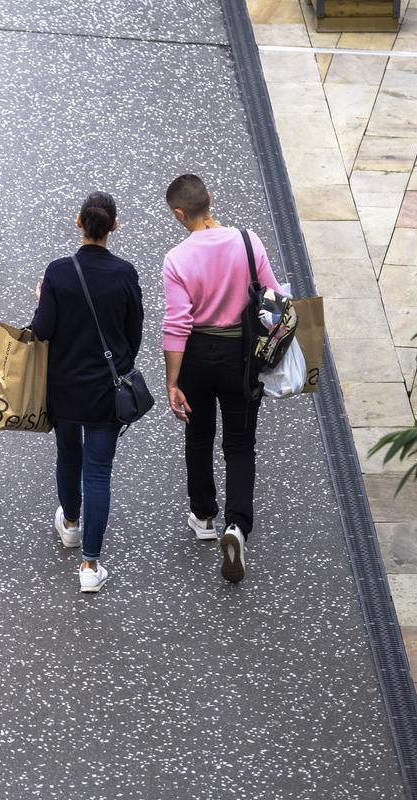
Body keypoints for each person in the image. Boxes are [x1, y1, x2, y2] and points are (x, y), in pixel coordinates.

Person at [161, 173, 284, 583]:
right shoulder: (249, 242)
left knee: (198, 435)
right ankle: (237, 526)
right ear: (210, 198)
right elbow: (270, 299)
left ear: (179, 214)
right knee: (240, 442)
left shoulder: (177, 259)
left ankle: (204, 516)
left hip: (197, 354)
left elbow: (177, 323)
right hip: (241, 354)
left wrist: (172, 381)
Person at [31, 192, 143, 593]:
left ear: (79, 222)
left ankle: (71, 524)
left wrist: (44, 298)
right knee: (99, 471)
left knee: (68, 455)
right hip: (105, 393)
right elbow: (134, 337)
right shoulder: (125, 274)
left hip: (64, 389)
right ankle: (91, 566)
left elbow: (41, 330)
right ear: (114, 226)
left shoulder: (59, 273)